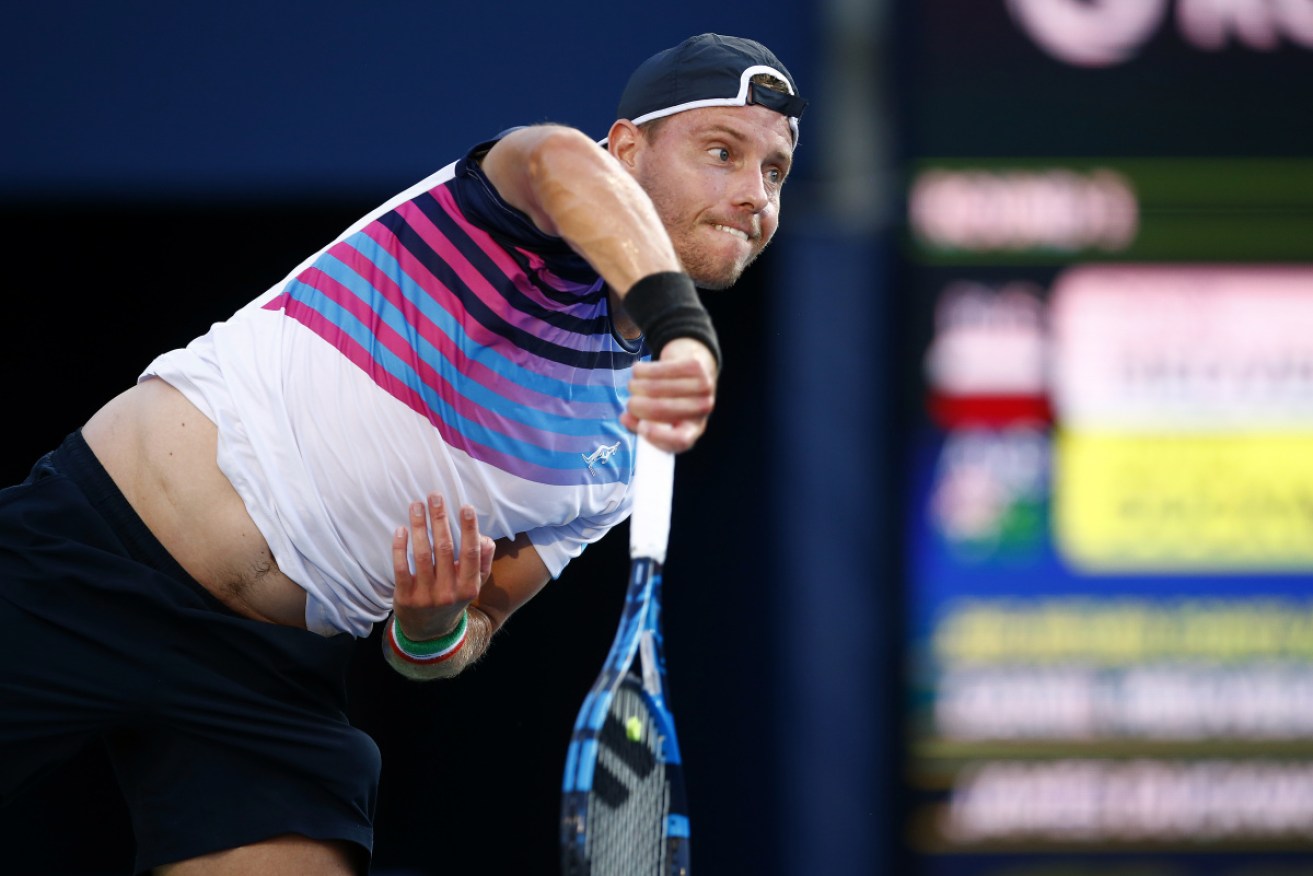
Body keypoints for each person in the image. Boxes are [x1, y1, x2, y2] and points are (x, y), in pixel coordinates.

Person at [0, 32, 805, 875]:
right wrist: (682, 331)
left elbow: (473, 626)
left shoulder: (624, 445)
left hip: (265, 674)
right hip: (85, 560)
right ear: (627, 146)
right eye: (721, 151)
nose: (753, 194)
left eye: (775, 172)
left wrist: (429, 631)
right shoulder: (510, 209)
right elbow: (561, 163)